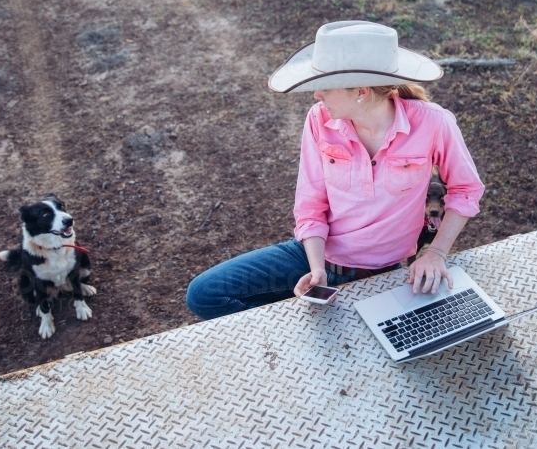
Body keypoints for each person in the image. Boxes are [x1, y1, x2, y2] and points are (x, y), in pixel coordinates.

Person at [186, 21, 485, 320]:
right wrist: (317, 270)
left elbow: (466, 189)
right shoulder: (319, 119)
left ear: (361, 92)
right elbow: (311, 203)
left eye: (325, 87)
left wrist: (435, 252)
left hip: (383, 276)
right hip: (318, 257)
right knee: (205, 294)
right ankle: (293, 342)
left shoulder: (434, 123)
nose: (317, 95)